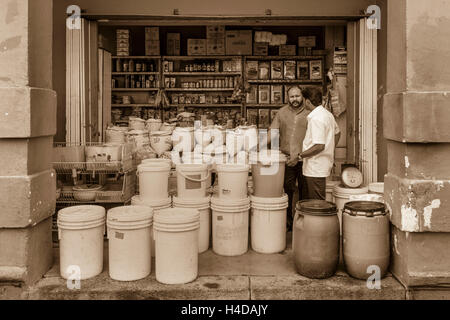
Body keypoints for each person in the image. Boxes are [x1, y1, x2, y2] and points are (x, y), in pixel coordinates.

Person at [269, 86, 310, 230]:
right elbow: (272, 132)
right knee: (287, 191)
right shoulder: (282, 113)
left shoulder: (311, 113)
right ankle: (288, 222)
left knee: (306, 192)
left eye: (297, 96)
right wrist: (257, 146)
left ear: (303, 96)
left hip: (306, 159)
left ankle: (304, 223)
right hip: (287, 159)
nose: (295, 99)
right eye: (292, 97)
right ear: (288, 98)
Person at [299, 88, 341, 200]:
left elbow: (319, 146)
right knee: (316, 199)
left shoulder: (316, 119)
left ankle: (317, 218)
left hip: (315, 167)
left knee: (316, 202)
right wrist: (330, 148)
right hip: (321, 164)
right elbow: (337, 133)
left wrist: (300, 155)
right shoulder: (327, 114)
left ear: (307, 101)